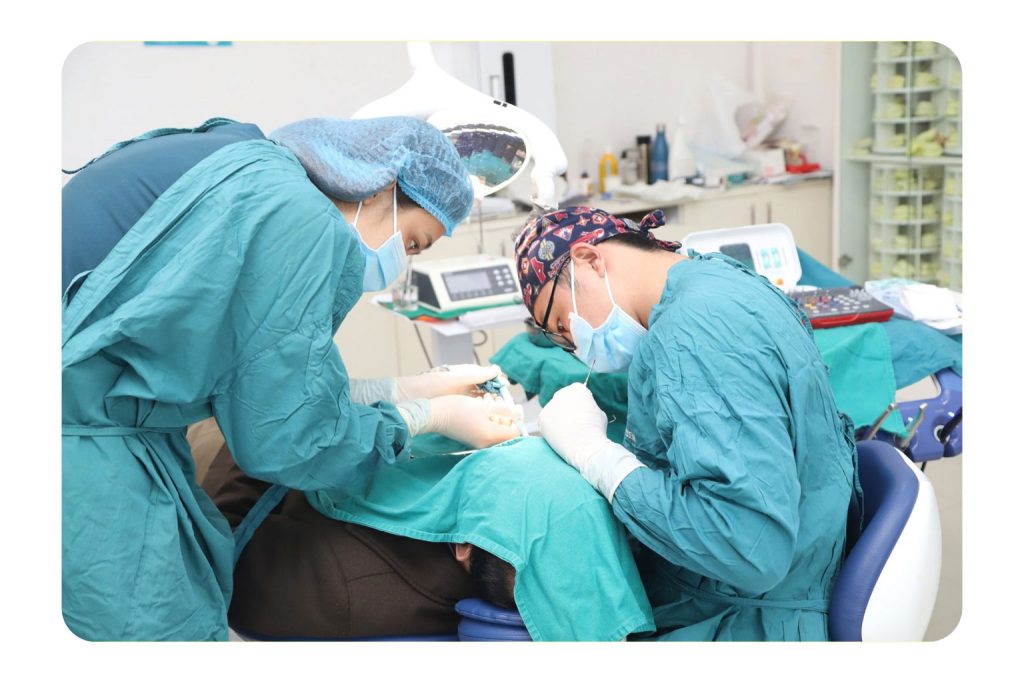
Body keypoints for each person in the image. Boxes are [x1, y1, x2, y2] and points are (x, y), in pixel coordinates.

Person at [62, 116, 522, 641]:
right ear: (382, 189)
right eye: (413, 242)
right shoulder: (297, 217)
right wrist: (426, 417)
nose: (400, 262)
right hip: (87, 458)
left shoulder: (248, 164)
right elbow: (288, 436)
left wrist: (405, 390)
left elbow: (253, 378)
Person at [513, 207, 861, 641]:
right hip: (760, 589)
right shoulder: (716, 280)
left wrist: (598, 458)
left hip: (744, 623)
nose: (577, 346)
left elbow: (749, 547)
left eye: (562, 324)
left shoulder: (698, 331)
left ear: (589, 259)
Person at [202, 444, 515, 639]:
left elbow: (216, 552)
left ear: (464, 548)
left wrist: (262, 435)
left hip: (228, 468)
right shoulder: (487, 535)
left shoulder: (342, 588)